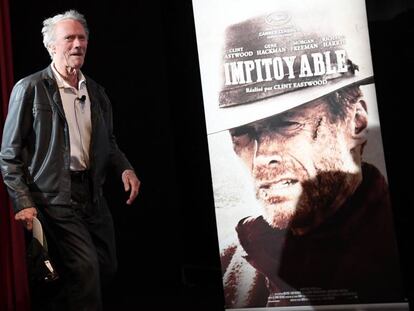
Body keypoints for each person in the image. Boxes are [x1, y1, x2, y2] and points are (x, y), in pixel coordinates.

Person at [205, 8, 406, 309]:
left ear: (356, 120)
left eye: (287, 124)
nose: (261, 159)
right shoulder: (233, 266)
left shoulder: (394, 249)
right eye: (242, 133)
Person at [0, 9, 140, 311]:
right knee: (86, 269)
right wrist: (22, 201)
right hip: (55, 197)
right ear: (51, 46)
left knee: (105, 267)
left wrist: (125, 168)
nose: (77, 44)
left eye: (82, 38)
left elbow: (109, 142)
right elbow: (9, 154)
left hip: (92, 195)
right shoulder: (31, 89)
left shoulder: (97, 93)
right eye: (69, 38)